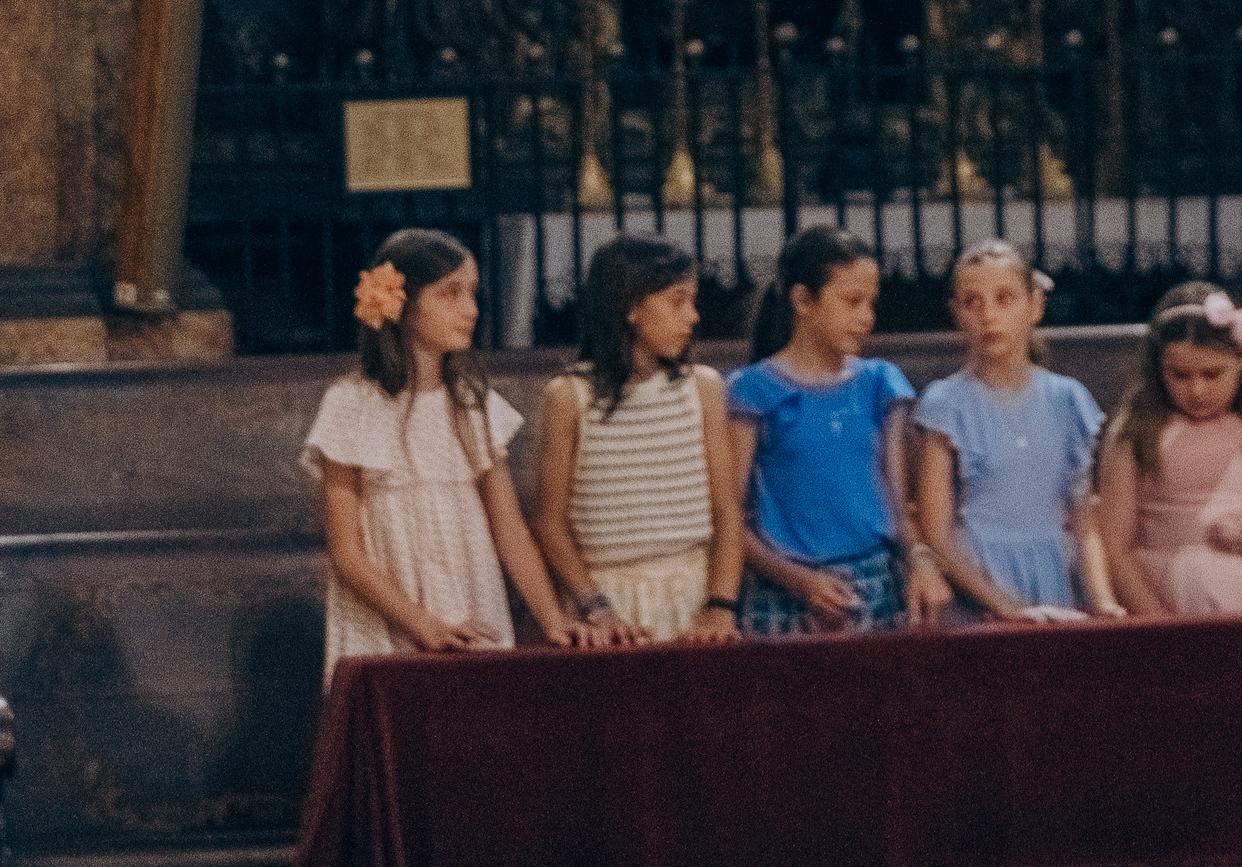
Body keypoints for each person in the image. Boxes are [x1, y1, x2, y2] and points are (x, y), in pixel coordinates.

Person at [301, 231, 586, 677]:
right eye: (450, 295)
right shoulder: (350, 405)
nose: (470, 310)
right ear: (402, 306)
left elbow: (511, 532)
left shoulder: (472, 404)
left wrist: (554, 622)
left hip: (470, 598)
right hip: (391, 618)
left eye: (473, 294)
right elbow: (348, 552)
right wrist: (423, 624)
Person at [726, 223, 945, 632]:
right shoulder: (753, 391)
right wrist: (797, 579)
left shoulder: (880, 383)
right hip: (787, 588)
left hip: (876, 581)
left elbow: (895, 492)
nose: (866, 317)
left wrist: (918, 561)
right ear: (802, 300)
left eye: (870, 303)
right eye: (851, 302)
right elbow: (730, 516)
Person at [533, 237, 743, 643]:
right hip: (609, 595)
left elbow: (727, 511)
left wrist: (720, 605)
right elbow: (550, 522)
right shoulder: (570, 396)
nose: (693, 316)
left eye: (693, 301)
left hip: (694, 590)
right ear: (630, 307)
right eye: (677, 301)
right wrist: (595, 605)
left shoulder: (701, 388)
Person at [1096, 279, 1242, 619]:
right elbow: (1116, 548)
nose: (1197, 390)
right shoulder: (1134, 432)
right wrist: (1157, 623)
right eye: (1180, 375)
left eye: (1212, 374)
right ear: (1159, 369)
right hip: (1161, 604)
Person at [914, 239, 1113, 621]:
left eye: (1004, 299)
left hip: (1053, 577)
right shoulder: (946, 404)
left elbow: (1084, 521)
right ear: (956, 313)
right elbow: (936, 532)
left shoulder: (1066, 399)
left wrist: (1102, 601)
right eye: (973, 303)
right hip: (979, 583)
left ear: (1034, 306)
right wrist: (1007, 608)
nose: (988, 315)